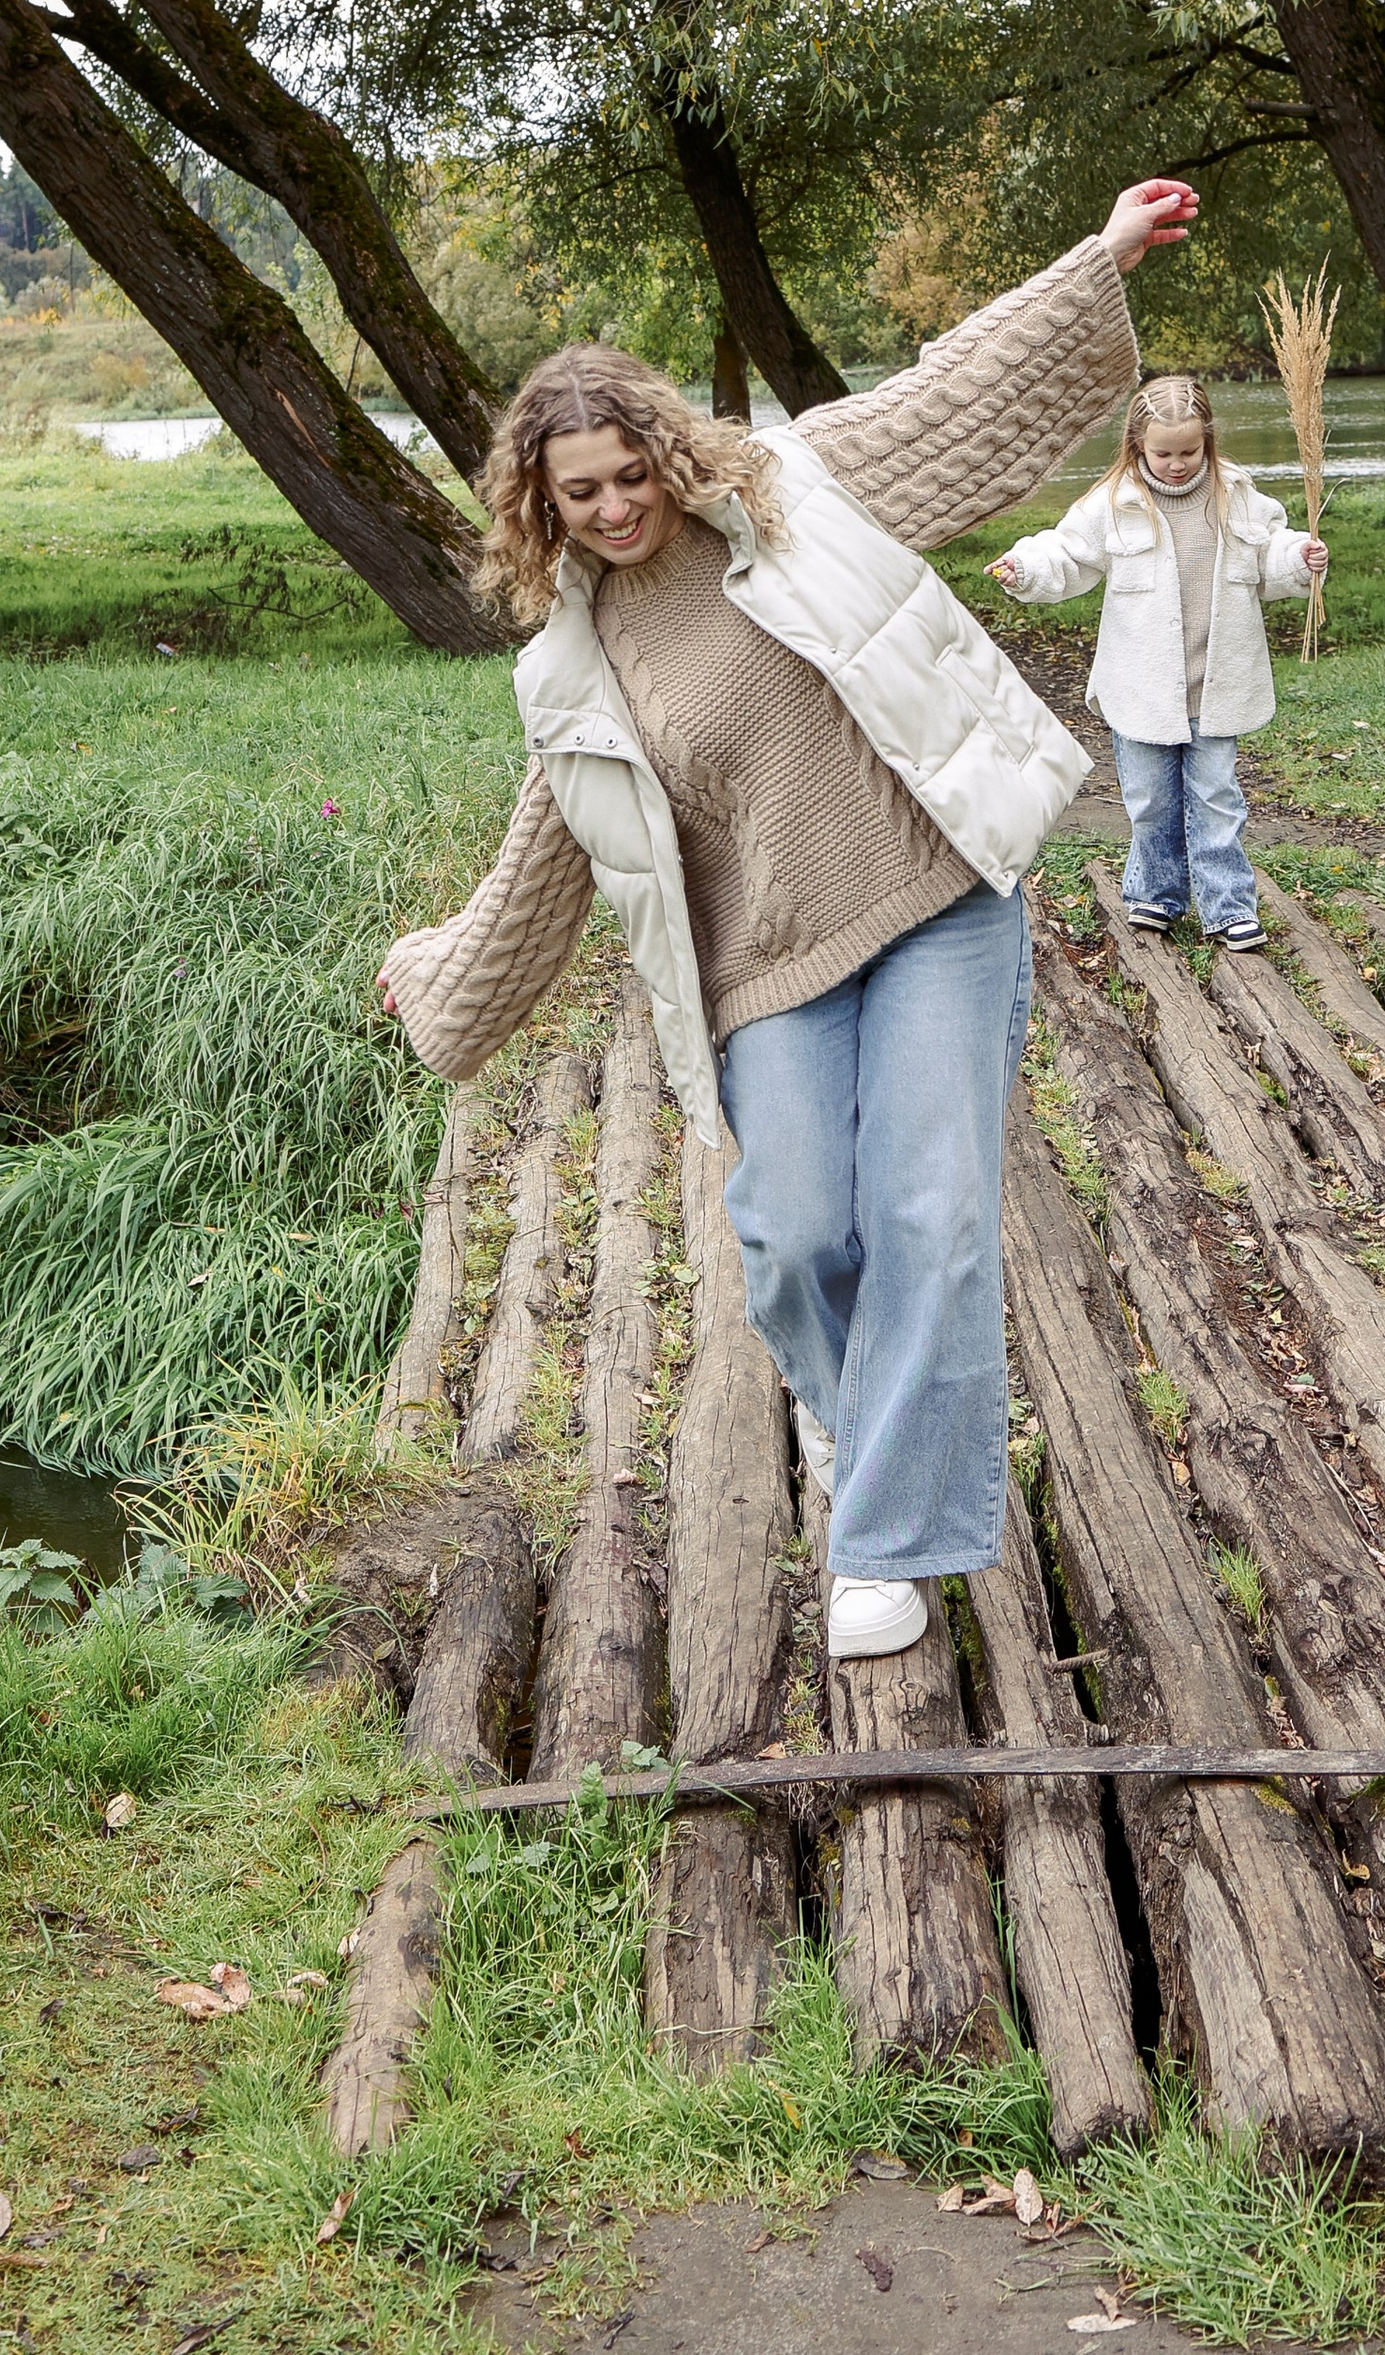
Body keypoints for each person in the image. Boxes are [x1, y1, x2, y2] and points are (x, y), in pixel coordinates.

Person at [376, 182, 1193, 1669]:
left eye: (632, 472)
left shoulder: (796, 488)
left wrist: (1102, 254)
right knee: (795, 1232)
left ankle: (884, 1541)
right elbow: (546, 864)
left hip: (936, 896)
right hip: (768, 972)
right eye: (583, 494)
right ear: (539, 507)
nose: (619, 508)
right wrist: (430, 982)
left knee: (931, 1217)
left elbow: (959, 394)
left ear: (664, 449)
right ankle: (854, 1406)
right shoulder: (571, 673)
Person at [988, 372, 1326, 949]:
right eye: (1163, 452)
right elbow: (1066, 554)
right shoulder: (1115, 504)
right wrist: (1026, 568)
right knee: (1150, 799)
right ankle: (1155, 895)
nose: (1177, 464)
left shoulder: (1236, 493)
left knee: (1217, 797)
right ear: (1137, 444)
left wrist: (1299, 556)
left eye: (1190, 451)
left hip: (1216, 683)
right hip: (1143, 688)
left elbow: (1270, 550)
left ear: (1208, 441)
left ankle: (1228, 906)